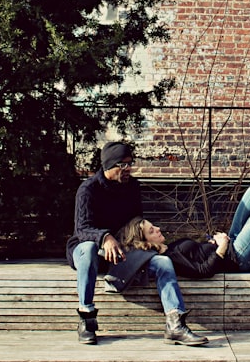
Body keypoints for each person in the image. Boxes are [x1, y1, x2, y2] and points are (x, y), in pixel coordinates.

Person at [65, 141, 208, 346]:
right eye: (122, 165)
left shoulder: (133, 187)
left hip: (122, 250)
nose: (128, 169)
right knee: (88, 249)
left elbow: (136, 223)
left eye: (130, 164)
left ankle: (175, 324)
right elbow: (82, 229)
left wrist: (147, 244)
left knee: (162, 263)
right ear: (108, 166)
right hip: (87, 249)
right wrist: (105, 238)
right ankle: (87, 319)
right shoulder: (88, 189)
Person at [119, 184, 250, 279]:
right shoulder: (168, 258)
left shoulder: (172, 246)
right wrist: (220, 248)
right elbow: (203, 271)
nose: (157, 228)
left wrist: (215, 240)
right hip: (237, 258)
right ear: (145, 241)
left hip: (233, 243)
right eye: (151, 230)